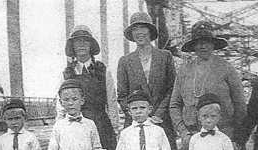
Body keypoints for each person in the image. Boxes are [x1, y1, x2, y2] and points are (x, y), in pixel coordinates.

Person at [169, 21, 246, 150]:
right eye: (198, 42)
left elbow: (240, 105)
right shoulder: (184, 70)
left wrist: (236, 137)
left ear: (213, 44)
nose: (202, 46)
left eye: (207, 42)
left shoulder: (227, 68)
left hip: (223, 135)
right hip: (192, 137)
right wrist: (183, 132)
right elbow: (174, 105)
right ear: (193, 46)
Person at [117, 12, 177, 149]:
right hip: (136, 122)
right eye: (135, 29)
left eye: (143, 28)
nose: (139, 33)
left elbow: (172, 89)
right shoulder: (125, 61)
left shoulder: (165, 56)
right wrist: (137, 114)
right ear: (131, 34)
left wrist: (157, 114)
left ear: (150, 31)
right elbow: (122, 95)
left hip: (161, 120)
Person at [63, 25, 117, 150]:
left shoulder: (103, 70)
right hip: (76, 123)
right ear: (72, 47)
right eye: (77, 41)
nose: (81, 45)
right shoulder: (66, 73)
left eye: (85, 41)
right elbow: (61, 106)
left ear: (91, 45)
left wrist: (114, 128)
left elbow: (111, 101)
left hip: (101, 125)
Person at [48, 79, 103, 150]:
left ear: (82, 101)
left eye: (74, 99)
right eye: (66, 100)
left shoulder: (90, 124)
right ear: (61, 103)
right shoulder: (58, 126)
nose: (70, 103)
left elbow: (97, 147)